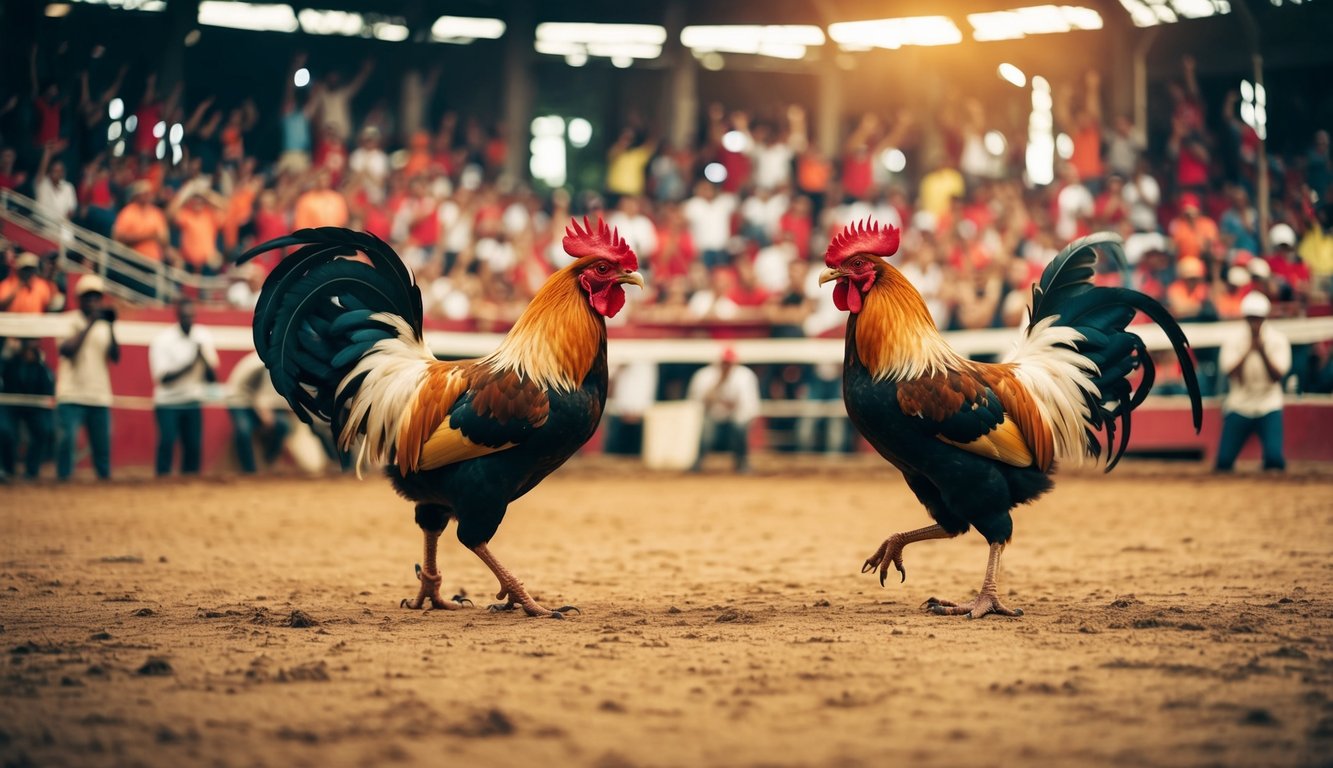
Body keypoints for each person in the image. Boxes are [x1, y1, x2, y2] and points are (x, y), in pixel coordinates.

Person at [1214, 292, 1290, 473]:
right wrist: (1248, 350)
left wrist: (1262, 351)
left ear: (1264, 318)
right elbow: (1230, 373)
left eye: (1257, 319)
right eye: (1251, 319)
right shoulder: (1233, 339)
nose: (1254, 323)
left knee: (1274, 460)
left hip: (1268, 404)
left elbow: (1278, 377)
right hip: (1240, 404)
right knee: (1223, 462)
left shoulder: (1277, 339)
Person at [55, 276, 118, 480]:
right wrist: (91, 323)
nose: (92, 301)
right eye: (88, 296)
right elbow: (67, 350)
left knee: (102, 447)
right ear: (78, 299)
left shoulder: (104, 325)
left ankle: (103, 484)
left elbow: (115, 357)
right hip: (71, 393)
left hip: (99, 394)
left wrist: (111, 326)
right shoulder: (69, 320)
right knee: (66, 443)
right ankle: (63, 482)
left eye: (96, 297)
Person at [149, 298, 219, 477]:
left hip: (192, 400)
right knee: (167, 442)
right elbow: (162, 378)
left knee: (193, 446)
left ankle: (190, 485)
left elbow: (212, 378)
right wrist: (190, 363)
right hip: (167, 403)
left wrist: (202, 357)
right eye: (186, 316)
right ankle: (161, 481)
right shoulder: (163, 339)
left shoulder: (203, 335)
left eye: (192, 316)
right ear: (178, 316)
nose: (189, 320)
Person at [687, 347, 761, 473]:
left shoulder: (744, 376)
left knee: (739, 425)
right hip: (711, 417)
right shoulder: (705, 375)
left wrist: (731, 406)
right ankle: (697, 462)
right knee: (705, 427)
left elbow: (749, 407)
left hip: (736, 417)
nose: (726, 366)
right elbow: (696, 404)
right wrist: (719, 383)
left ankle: (742, 462)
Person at [225, 351, 291, 474]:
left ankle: (269, 461)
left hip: (265, 404)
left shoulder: (281, 362)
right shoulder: (260, 364)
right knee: (244, 430)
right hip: (239, 402)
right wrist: (264, 412)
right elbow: (251, 390)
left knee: (283, 425)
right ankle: (249, 471)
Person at [1, 338, 55, 480]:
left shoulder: (41, 366)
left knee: (42, 429)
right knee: (6, 431)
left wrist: (40, 362)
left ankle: (32, 470)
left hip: (33, 407)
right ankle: (8, 469)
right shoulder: (11, 362)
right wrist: (6, 356)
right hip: (11, 405)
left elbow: (48, 386)